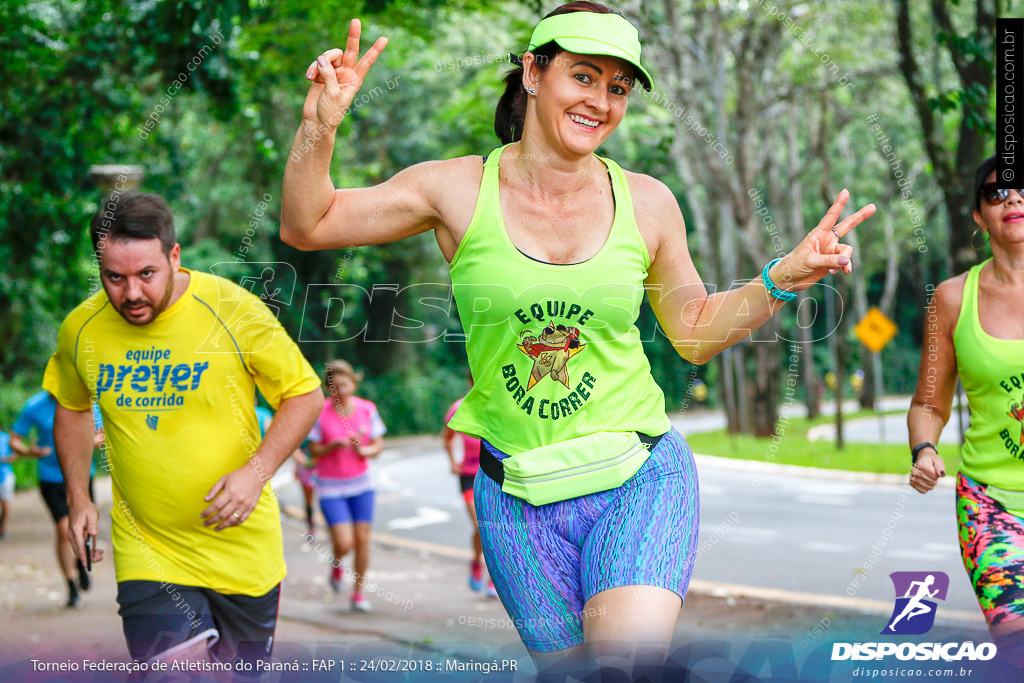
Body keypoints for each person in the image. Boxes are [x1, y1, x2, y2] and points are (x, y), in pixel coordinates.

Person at [280, 3, 873, 676]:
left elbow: (695, 333)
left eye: (617, 88)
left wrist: (780, 279)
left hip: (639, 473)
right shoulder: (454, 187)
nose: (601, 101)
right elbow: (310, 224)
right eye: (583, 77)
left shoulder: (648, 202)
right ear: (533, 73)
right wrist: (319, 127)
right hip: (516, 495)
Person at [45, 192, 322, 671]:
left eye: (146, 274)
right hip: (148, 549)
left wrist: (255, 473)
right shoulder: (82, 329)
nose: (131, 293)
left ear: (174, 256)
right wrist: (78, 498)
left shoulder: (232, 311)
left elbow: (304, 395)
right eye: (115, 277)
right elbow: (71, 407)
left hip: (241, 551)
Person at [909, 155, 1024, 661]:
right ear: (979, 216)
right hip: (990, 507)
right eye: (997, 193)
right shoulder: (954, 298)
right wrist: (924, 448)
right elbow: (927, 403)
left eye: (1021, 190)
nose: (1013, 199)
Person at [308, 359, 385, 612]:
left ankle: (359, 593)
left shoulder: (366, 409)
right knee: (344, 542)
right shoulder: (320, 411)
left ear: (353, 383)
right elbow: (314, 451)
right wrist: (332, 446)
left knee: (362, 539)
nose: (340, 390)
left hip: (362, 484)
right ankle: (337, 563)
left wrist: (363, 450)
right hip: (330, 486)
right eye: (334, 386)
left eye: (345, 384)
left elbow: (377, 446)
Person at [10, 391, 100, 607]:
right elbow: (15, 439)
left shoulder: (85, 400)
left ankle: (80, 562)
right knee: (64, 529)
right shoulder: (35, 405)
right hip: (50, 478)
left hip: (82, 475)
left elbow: (101, 434)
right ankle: (70, 585)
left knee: (85, 528)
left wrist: (86, 444)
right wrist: (29, 451)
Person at [442, 393, 496, 597]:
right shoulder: (459, 407)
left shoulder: (499, 401)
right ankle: (476, 561)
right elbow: (447, 437)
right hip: (468, 476)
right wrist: (452, 462)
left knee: (492, 529)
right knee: (481, 527)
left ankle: (494, 579)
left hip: (493, 475)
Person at [0, 425, 15, 541]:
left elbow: (15, 455)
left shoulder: (7, 438)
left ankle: (2, 529)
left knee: (5, 504)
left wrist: (5, 459)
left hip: (5, 476)